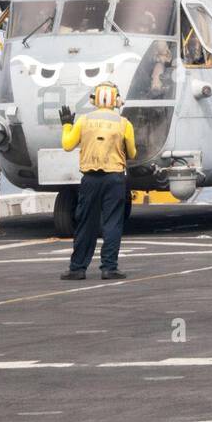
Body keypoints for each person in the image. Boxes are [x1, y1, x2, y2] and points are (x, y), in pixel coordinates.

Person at [59, 82, 136, 280]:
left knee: (85, 223)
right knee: (112, 223)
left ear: (94, 100)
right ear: (116, 100)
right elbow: (133, 153)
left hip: (90, 179)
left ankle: (77, 268)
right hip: (114, 178)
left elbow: (67, 145)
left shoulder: (84, 121)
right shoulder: (124, 123)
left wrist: (67, 124)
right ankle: (109, 268)